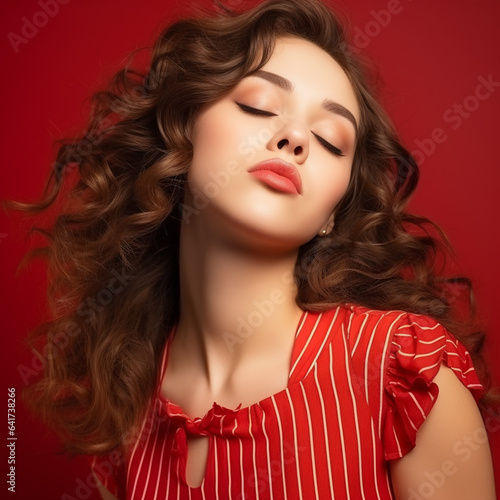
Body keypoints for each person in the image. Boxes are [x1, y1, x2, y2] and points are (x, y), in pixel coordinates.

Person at [5, 0, 496, 498]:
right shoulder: (126, 405)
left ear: (332, 212)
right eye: (259, 105)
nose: (296, 138)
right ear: (183, 133)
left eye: (330, 140)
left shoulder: (406, 375)